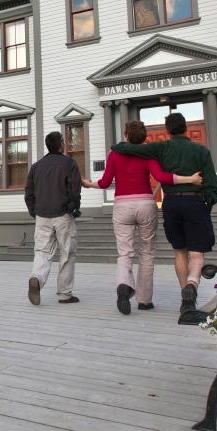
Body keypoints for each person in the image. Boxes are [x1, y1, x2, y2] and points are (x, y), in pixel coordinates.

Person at [81, 120, 202, 315]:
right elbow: (161, 177)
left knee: (125, 252)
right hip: (145, 204)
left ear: (126, 135)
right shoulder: (148, 153)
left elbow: (104, 183)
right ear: (144, 136)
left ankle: (123, 284)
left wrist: (89, 184)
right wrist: (190, 179)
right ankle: (145, 300)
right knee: (146, 253)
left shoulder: (114, 154)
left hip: (122, 206)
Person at [112, 112, 217, 313]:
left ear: (167, 130)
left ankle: (184, 296)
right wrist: (207, 205)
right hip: (195, 203)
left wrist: (116, 147)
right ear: (185, 127)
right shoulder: (201, 151)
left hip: (170, 203)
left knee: (180, 251)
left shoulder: (160, 148)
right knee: (196, 254)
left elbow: (129, 147)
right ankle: (192, 285)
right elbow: (213, 187)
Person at [23, 130, 82, 306]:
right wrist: (74, 206)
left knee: (42, 252)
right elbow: (75, 189)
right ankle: (64, 294)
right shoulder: (69, 164)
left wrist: (34, 211)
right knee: (67, 253)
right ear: (61, 144)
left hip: (42, 215)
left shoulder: (36, 166)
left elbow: (29, 192)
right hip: (63, 214)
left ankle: (36, 278)